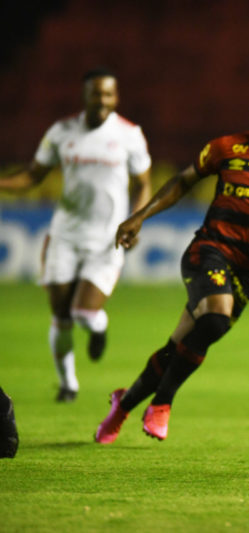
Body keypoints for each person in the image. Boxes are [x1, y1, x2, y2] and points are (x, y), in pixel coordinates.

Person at [94, 77, 249, 443]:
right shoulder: (225, 148)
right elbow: (182, 183)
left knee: (179, 347)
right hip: (209, 251)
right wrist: (140, 216)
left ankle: (122, 405)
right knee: (214, 319)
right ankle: (163, 403)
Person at [0, 68, 152, 402]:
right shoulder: (61, 132)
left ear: (116, 97)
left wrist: (137, 219)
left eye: (108, 94)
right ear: (85, 96)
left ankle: (98, 328)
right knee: (61, 315)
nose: (102, 100)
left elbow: (143, 183)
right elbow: (32, 175)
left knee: (83, 314)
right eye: (96, 93)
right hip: (64, 235)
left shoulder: (130, 135)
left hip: (106, 239)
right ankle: (68, 383)